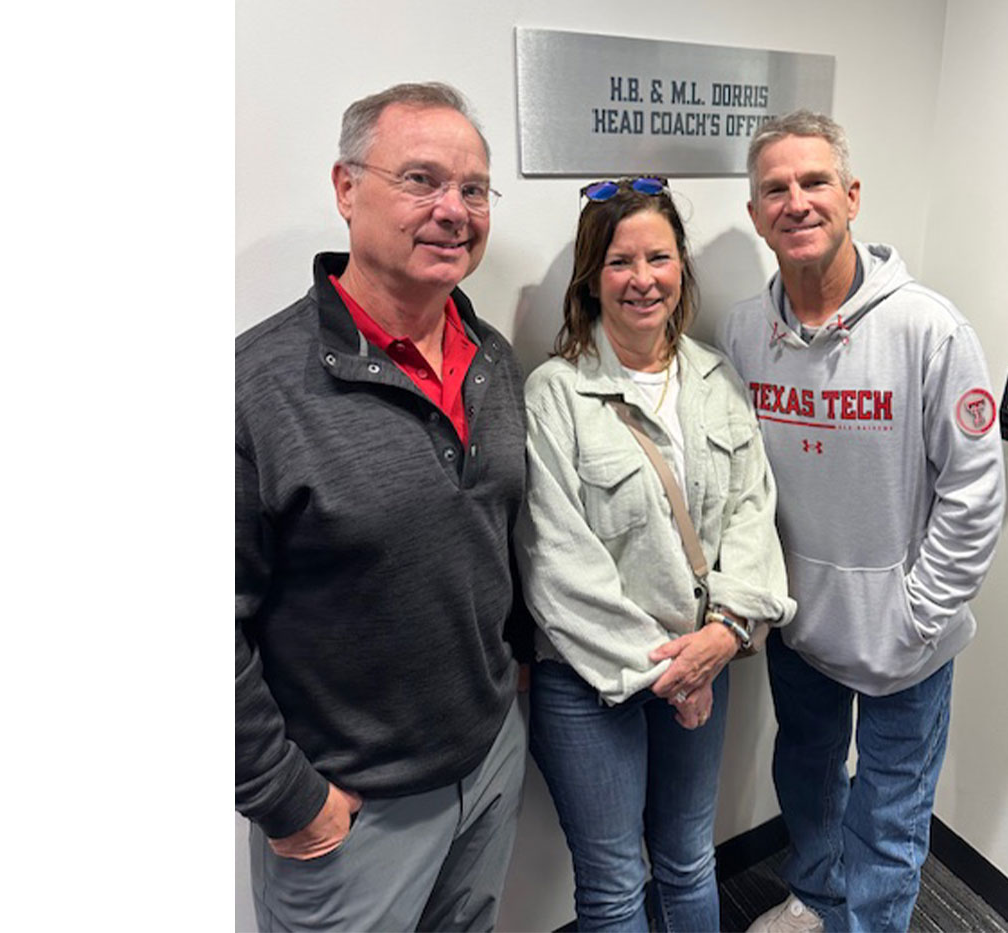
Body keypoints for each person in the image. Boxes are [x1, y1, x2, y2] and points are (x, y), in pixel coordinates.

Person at [235, 82, 529, 932]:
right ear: (346, 189)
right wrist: (287, 798)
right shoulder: (256, 388)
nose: (454, 210)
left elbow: (496, 538)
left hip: (487, 762)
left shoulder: (492, 358)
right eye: (421, 180)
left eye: (474, 189)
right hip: (351, 815)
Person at [722, 112, 1006, 933]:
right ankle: (816, 896)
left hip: (906, 637)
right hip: (800, 623)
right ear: (755, 215)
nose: (796, 201)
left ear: (851, 197)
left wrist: (920, 612)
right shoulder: (745, 330)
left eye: (815, 182)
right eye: (775, 188)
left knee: (889, 814)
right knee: (806, 778)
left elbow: (973, 489)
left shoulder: (928, 327)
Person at [515, 175, 796, 931]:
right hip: (590, 677)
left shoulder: (717, 378)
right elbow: (554, 561)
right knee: (612, 884)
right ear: (591, 278)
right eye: (619, 261)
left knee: (688, 859)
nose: (642, 279)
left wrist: (725, 633)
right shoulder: (553, 394)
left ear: (681, 269)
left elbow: (751, 511)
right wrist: (675, 671)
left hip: (706, 653)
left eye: (659, 258)